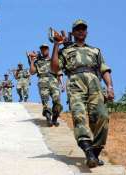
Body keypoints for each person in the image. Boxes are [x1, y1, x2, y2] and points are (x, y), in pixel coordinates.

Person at [51, 19, 114, 168]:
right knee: (79, 117)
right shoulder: (65, 50)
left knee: (102, 116)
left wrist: (110, 87)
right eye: (77, 29)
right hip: (75, 84)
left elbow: (104, 69)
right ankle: (88, 153)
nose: (80, 31)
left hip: (94, 84)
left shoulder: (95, 50)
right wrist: (55, 45)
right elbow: (54, 68)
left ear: (86, 32)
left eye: (83, 29)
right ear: (73, 32)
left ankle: (95, 152)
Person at [28, 44, 64, 127]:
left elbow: (59, 72)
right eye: (42, 49)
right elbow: (32, 72)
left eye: (45, 49)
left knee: (57, 101)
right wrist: (32, 61)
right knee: (45, 101)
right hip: (43, 81)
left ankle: (54, 118)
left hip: (54, 81)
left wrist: (62, 84)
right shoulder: (38, 61)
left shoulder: (53, 60)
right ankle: (48, 119)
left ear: (48, 50)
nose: (44, 50)